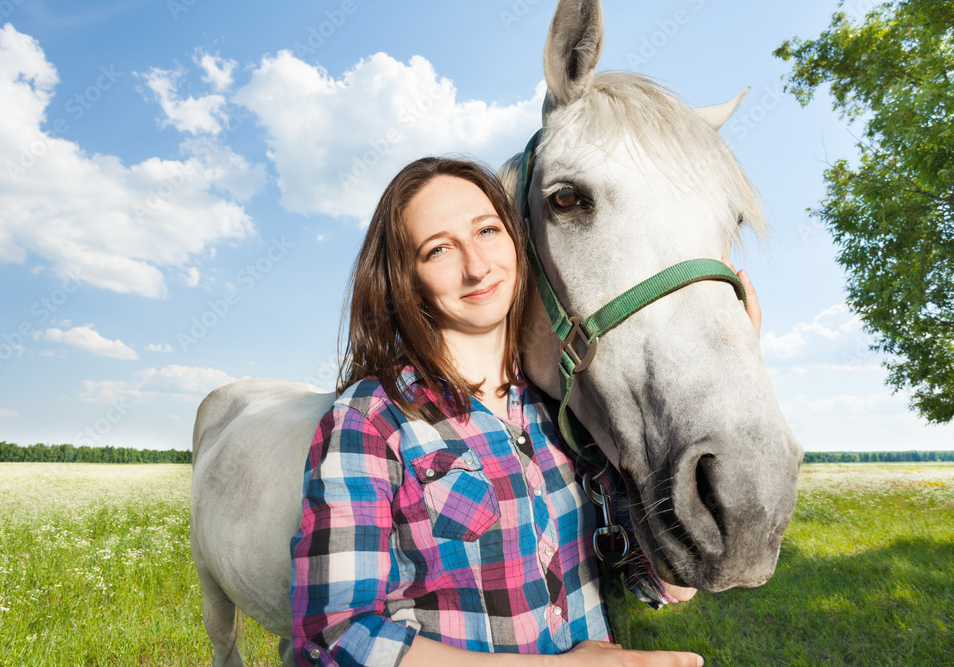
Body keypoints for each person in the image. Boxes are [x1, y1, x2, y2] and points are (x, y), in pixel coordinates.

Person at [290, 157, 760, 667]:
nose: (477, 265)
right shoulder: (372, 417)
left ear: (518, 239)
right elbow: (333, 635)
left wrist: (719, 375)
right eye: (439, 249)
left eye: (488, 230)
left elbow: (653, 581)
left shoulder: (566, 406)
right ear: (406, 279)